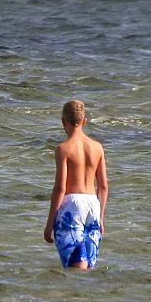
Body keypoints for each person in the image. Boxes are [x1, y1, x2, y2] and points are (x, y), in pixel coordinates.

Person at [44, 100, 108, 270]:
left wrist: (49, 223)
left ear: (63, 121)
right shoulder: (97, 147)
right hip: (93, 204)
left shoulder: (63, 149)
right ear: (84, 121)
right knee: (89, 266)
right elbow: (103, 186)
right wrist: (100, 217)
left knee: (76, 266)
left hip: (72, 206)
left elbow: (60, 188)